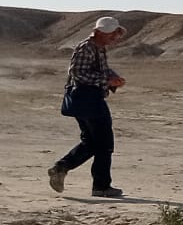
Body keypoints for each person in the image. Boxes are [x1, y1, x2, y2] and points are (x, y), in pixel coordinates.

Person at [47, 16, 128, 197]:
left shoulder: (98, 48)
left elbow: (101, 70)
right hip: (88, 99)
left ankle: (61, 168)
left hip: (89, 99)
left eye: (115, 34)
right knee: (104, 143)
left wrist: (113, 78)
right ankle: (101, 186)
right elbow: (78, 73)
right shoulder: (86, 48)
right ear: (99, 32)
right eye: (111, 34)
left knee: (91, 142)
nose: (114, 38)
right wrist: (106, 80)